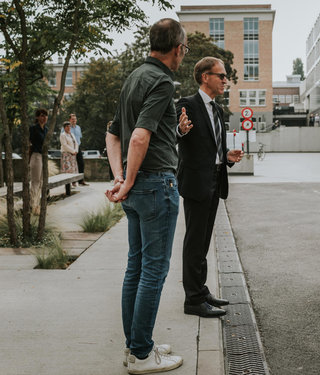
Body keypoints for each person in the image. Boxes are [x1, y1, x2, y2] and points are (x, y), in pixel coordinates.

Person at [105, 18, 188, 374]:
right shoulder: (162, 81)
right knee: (153, 271)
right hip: (156, 186)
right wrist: (128, 179)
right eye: (185, 48)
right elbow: (138, 137)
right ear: (177, 48)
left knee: (135, 268)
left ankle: (136, 345)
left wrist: (122, 178)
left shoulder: (134, 78)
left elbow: (112, 135)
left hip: (138, 187)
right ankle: (141, 354)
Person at [176, 57, 244, 318]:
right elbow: (178, 131)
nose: (226, 80)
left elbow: (213, 146)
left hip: (215, 180)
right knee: (194, 242)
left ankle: (201, 291)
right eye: (222, 76)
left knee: (203, 241)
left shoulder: (217, 109)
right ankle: (192, 300)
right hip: (196, 183)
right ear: (205, 77)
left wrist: (226, 156)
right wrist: (181, 130)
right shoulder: (187, 105)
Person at [29, 108, 48, 215]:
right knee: (35, 182)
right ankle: (34, 206)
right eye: (41, 115)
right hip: (36, 156)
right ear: (37, 117)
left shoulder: (46, 129)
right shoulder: (33, 129)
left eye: (45, 116)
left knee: (41, 183)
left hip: (44, 157)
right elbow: (31, 142)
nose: (44, 118)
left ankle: (38, 206)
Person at [68, 113, 89, 185]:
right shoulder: (67, 127)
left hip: (78, 147)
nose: (74, 120)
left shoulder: (78, 127)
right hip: (70, 148)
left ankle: (81, 181)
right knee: (72, 165)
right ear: (69, 120)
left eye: (75, 119)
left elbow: (79, 138)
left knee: (81, 163)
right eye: (72, 119)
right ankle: (73, 181)